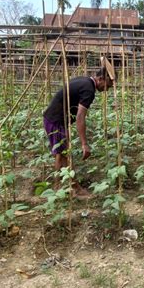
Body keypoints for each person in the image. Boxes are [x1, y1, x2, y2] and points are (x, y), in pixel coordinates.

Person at [43, 66, 114, 196]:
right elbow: (80, 116)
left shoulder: (85, 80)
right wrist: (84, 143)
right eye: (107, 86)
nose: (106, 90)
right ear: (100, 79)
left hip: (54, 119)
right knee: (61, 154)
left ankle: (71, 186)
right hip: (56, 120)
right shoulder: (89, 90)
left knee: (63, 153)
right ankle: (59, 188)